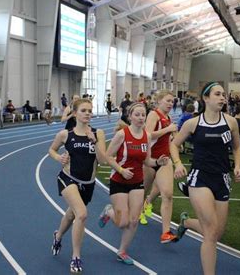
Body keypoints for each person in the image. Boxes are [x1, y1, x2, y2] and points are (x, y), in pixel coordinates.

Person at [170, 82, 240, 275]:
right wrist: (177, 163)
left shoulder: (231, 122)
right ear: (206, 98)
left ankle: (186, 223)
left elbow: (236, 147)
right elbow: (174, 144)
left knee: (217, 232)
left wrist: (236, 166)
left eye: (224, 95)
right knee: (210, 232)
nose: (222, 98)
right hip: (200, 177)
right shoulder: (193, 123)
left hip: (222, 178)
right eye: (218, 94)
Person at [98, 102, 169, 265]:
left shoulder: (147, 136)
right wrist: (121, 170)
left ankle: (122, 251)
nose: (140, 118)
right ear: (130, 117)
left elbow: (147, 161)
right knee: (123, 222)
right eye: (137, 115)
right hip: (119, 180)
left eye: (143, 115)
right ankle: (109, 211)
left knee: (134, 220)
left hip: (137, 181)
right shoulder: (122, 134)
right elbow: (108, 157)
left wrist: (158, 161)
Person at [49, 99, 107, 274]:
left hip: (88, 184)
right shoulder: (65, 134)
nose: (88, 113)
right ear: (75, 113)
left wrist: (94, 141)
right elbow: (51, 150)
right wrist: (59, 158)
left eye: (90, 110)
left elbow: (103, 161)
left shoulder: (99, 133)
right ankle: (76, 257)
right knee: (81, 214)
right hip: (68, 178)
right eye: (83, 110)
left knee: (71, 214)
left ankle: (58, 236)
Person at [139, 90, 178, 243]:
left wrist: (173, 141)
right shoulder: (153, 115)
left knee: (167, 194)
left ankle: (166, 232)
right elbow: (147, 135)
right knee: (140, 194)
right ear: (159, 101)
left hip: (164, 160)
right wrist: (168, 130)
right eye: (168, 100)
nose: (170, 103)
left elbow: (166, 139)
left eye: (172, 101)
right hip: (149, 160)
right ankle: (124, 211)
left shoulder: (168, 118)